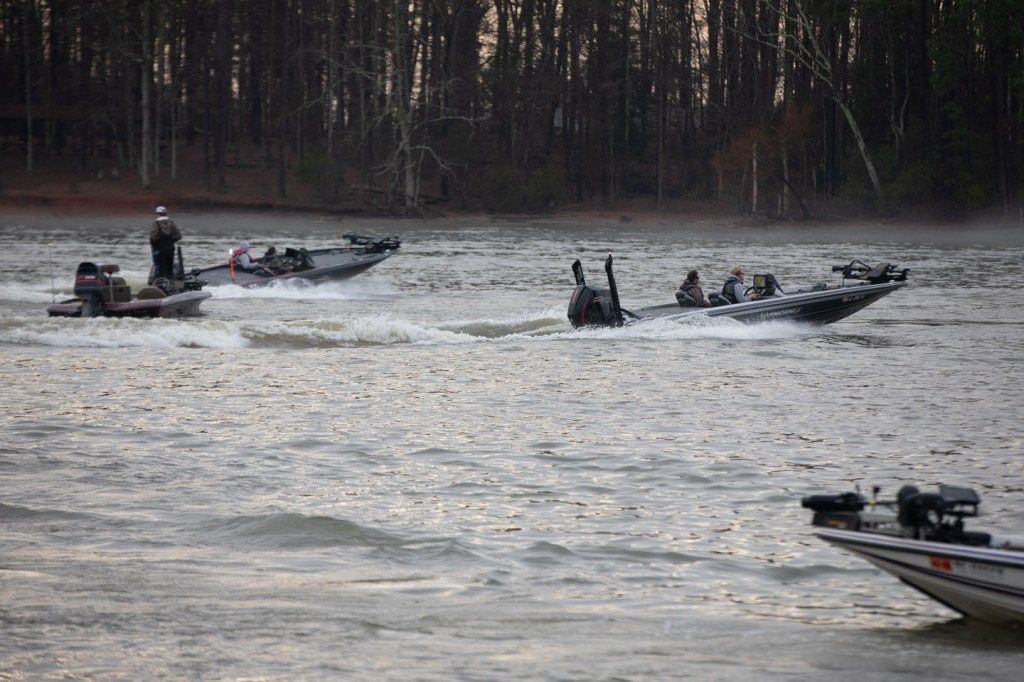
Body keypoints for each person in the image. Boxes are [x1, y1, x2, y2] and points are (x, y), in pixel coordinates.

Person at [148, 206, 182, 278]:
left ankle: (160, 281)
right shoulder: (172, 223)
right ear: (165, 213)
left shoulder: (155, 224)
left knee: (160, 270)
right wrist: (171, 241)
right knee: (169, 269)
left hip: (159, 249)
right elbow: (179, 236)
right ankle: (171, 281)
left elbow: (153, 237)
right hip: (170, 248)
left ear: (157, 214)